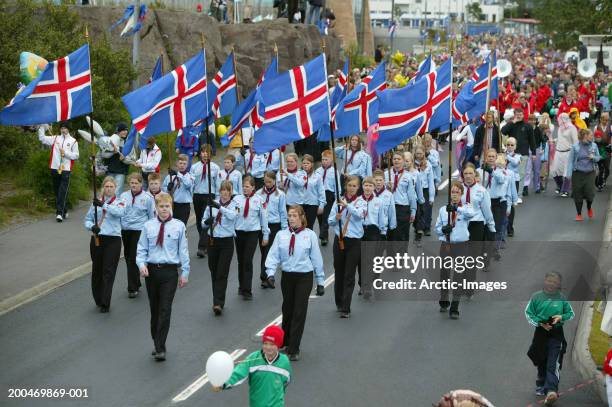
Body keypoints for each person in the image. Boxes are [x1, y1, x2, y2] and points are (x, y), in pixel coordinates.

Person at [263, 205, 325, 360]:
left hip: (304, 276)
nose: (291, 218)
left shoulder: (309, 235)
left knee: (299, 310)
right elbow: (273, 255)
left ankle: (294, 348)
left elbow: (316, 258)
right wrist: (270, 273)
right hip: (288, 276)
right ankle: (286, 341)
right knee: (288, 309)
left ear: (301, 217)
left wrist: (320, 281)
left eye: (294, 215)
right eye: (289, 215)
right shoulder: (281, 235)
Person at [136, 192, 190, 361]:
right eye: (161, 206)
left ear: (171, 207)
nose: (164, 209)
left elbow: (183, 250)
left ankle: (161, 347)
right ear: (156, 208)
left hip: (169, 272)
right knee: (155, 309)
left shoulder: (179, 226)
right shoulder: (148, 226)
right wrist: (141, 265)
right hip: (152, 271)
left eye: (167, 206)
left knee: (165, 309)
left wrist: (185, 272)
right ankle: (156, 341)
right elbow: (141, 248)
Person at [212, 325, 292, 407]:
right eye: (265, 343)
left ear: (278, 346)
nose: (268, 347)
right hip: (257, 404)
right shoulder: (253, 359)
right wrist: (222, 384)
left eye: (272, 344)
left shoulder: (284, 362)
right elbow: (238, 373)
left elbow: (286, 382)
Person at [526, 272, 574, 404]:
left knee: (553, 363)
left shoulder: (562, 299)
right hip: (540, 334)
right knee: (541, 359)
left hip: (556, 335)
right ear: (544, 281)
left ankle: (551, 390)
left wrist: (561, 317)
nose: (551, 284)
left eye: (554, 282)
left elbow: (570, 313)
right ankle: (541, 381)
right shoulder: (536, 297)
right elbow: (529, 314)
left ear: (559, 284)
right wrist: (540, 323)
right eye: (549, 280)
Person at [84, 176, 126, 312]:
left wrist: (103, 205)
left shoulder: (120, 202)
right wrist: (92, 227)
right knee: (97, 270)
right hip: (97, 239)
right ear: (103, 188)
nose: (108, 189)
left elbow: (119, 213)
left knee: (108, 271)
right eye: (106, 187)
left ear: (115, 188)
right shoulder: (95, 203)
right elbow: (87, 220)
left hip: (113, 240)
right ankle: (98, 298)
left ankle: (105, 302)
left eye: (111, 187)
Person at [435, 181, 476, 319]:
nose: (454, 195)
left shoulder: (466, 207)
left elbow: (471, 214)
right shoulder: (442, 210)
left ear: (461, 194)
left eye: (457, 192)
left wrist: (456, 209)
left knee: (458, 275)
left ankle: (455, 307)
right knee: (444, 274)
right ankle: (444, 298)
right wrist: (442, 230)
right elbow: (437, 228)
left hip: (461, 245)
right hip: (446, 245)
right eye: (452, 192)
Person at [328, 176, 366, 318]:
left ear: (358, 187)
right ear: (345, 186)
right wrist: (335, 218)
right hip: (340, 240)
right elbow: (330, 220)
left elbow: (359, 215)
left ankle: (346, 307)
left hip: (354, 242)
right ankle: (339, 302)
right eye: (349, 185)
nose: (351, 188)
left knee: (349, 274)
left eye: (354, 186)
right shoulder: (338, 201)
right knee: (339, 272)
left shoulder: (361, 201)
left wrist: (347, 206)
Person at [203, 180, 237, 315]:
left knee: (222, 272)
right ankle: (215, 299)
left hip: (227, 242)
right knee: (214, 271)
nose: (225, 193)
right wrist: (206, 222)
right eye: (223, 190)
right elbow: (203, 221)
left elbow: (233, 216)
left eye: (227, 190)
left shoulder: (235, 205)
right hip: (212, 241)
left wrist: (219, 207)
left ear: (231, 192)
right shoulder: (211, 205)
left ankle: (218, 303)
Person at [120, 173, 155, 298]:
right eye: (132, 183)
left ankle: (132, 288)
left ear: (141, 184)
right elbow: (120, 212)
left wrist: (150, 232)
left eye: (136, 183)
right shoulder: (123, 196)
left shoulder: (147, 198)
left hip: (139, 230)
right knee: (128, 256)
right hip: (126, 229)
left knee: (134, 257)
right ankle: (136, 282)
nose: (133, 185)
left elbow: (151, 217)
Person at [234, 176, 270, 300]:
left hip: (252, 233)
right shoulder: (237, 199)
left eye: (247, 186)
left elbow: (264, 219)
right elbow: (232, 215)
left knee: (248, 260)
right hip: (239, 232)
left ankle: (247, 290)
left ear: (253, 187)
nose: (245, 188)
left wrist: (265, 235)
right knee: (241, 260)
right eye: (243, 186)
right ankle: (241, 285)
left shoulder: (260, 201)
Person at [38, 122, 79, 222]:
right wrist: (42, 126)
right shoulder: (55, 138)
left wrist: (66, 154)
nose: (63, 130)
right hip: (55, 168)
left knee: (63, 191)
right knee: (57, 191)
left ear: (68, 129)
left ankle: (59, 213)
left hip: (66, 169)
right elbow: (42, 138)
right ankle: (64, 210)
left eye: (65, 128)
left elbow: (76, 155)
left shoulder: (73, 141)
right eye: (62, 128)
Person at [258, 171, 288, 288]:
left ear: (275, 181)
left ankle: (266, 276)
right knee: (263, 250)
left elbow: (283, 212)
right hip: (262, 226)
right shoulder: (259, 194)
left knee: (269, 251)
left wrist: (285, 228)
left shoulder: (280, 195)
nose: (268, 184)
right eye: (266, 182)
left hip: (274, 225)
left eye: (270, 182)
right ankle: (267, 274)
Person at [191, 147, 220, 258]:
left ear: (210, 154)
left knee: (205, 219)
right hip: (197, 195)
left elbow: (217, 183)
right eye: (203, 152)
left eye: (207, 152)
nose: (205, 154)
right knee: (199, 221)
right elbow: (191, 183)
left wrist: (216, 198)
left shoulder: (215, 168)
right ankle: (205, 240)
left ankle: (201, 247)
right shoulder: (194, 167)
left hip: (209, 195)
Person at [359, 177, 385, 298]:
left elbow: (381, 219)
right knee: (362, 260)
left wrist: (382, 232)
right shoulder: (358, 200)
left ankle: (368, 286)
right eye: (366, 185)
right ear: (362, 187)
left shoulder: (378, 202)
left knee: (370, 259)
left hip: (373, 231)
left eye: (370, 185)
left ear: (374, 188)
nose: (368, 188)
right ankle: (363, 284)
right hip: (360, 231)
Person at [566, 128, 601, 221]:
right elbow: (570, 161)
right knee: (577, 193)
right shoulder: (575, 147)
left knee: (590, 194)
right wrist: (568, 174)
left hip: (590, 173)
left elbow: (598, 158)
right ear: (585, 136)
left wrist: (593, 157)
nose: (592, 137)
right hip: (577, 173)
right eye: (591, 135)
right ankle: (579, 214)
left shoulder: (594, 146)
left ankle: (589, 207)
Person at [501, 109, 537, 197]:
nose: (519, 116)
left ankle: (518, 195)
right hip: (510, 154)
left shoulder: (528, 126)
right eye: (517, 114)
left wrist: (534, 153)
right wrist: (512, 122)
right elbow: (503, 131)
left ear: (523, 115)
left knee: (520, 175)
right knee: (509, 175)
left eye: (521, 114)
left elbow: (532, 140)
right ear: (514, 115)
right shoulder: (511, 125)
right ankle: (510, 194)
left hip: (523, 154)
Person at [384, 153, 417, 242]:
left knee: (402, 234)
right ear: (392, 161)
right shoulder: (386, 174)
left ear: (403, 161)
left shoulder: (408, 176)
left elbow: (411, 195)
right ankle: (391, 255)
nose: (396, 160)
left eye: (399, 159)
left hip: (402, 208)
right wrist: (386, 187)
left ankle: (401, 255)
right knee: (390, 234)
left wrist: (413, 211)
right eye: (394, 159)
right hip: (389, 207)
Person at [551, 113, 579, 198]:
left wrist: (576, 154)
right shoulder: (560, 128)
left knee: (567, 172)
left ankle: (565, 190)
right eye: (560, 118)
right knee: (554, 170)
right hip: (558, 151)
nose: (561, 120)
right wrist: (554, 140)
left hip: (568, 152)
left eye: (563, 118)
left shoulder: (572, 128)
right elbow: (561, 138)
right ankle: (560, 186)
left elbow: (575, 142)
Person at [162, 154, 194, 225]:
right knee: (171, 226)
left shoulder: (190, 176)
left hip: (184, 206)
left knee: (181, 226)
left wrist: (177, 174)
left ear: (187, 165)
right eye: (180, 163)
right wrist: (168, 189)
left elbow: (187, 184)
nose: (182, 165)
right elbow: (164, 190)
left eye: (184, 164)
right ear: (177, 164)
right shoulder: (170, 177)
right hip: (173, 205)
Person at [315, 150, 338, 246]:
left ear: (331, 160)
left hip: (329, 194)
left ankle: (323, 234)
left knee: (326, 216)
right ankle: (324, 235)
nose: (324, 161)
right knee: (320, 216)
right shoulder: (318, 171)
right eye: (323, 159)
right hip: (319, 195)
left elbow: (337, 186)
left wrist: (337, 198)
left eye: (326, 159)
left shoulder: (334, 171)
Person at [414, 146, 435, 242]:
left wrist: (431, 197)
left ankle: (427, 227)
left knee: (427, 208)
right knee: (417, 209)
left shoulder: (428, 165)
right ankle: (418, 227)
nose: (419, 155)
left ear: (423, 154)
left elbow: (431, 181)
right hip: (415, 189)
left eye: (420, 153)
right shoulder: (412, 165)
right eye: (417, 153)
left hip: (425, 189)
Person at [300, 154, 326, 229]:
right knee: (299, 226)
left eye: (307, 163)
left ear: (312, 164)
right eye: (304, 163)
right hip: (300, 203)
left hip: (312, 204)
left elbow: (321, 191)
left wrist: (321, 205)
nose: (305, 165)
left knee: (308, 226)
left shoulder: (317, 176)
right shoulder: (298, 175)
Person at [105, 122, 130, 195]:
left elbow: (131, 156)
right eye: (123, 130)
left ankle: (117, 206)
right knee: (108, 190)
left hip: (121, 171)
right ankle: (108, 205)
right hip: (110, 170)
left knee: (117, 192)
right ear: (118, 131)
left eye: (126, 130)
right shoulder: (111, 140)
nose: (125, 132)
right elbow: (104, 153)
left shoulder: (127, 142)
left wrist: (123, 154)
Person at [373, 169, 396, 239]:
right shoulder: (370, 194)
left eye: (380, 180)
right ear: (373, 180)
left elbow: (392, 211)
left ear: (384, 181)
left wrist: (392, 226)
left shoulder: (389, 195)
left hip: (383, 228)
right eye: (376, 180)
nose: (378, 182)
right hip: (371, 227)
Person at [594, 112, 611, 191]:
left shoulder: (610, 127)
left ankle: (604, 179)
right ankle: (600, 183)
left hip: (607, 149)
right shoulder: (596, 127)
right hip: (599, 148)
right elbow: (594, 139)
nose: (606, 122)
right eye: (604, 120)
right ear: (601, 119)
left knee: (607, 168)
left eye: (607, 120)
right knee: (600, 167)